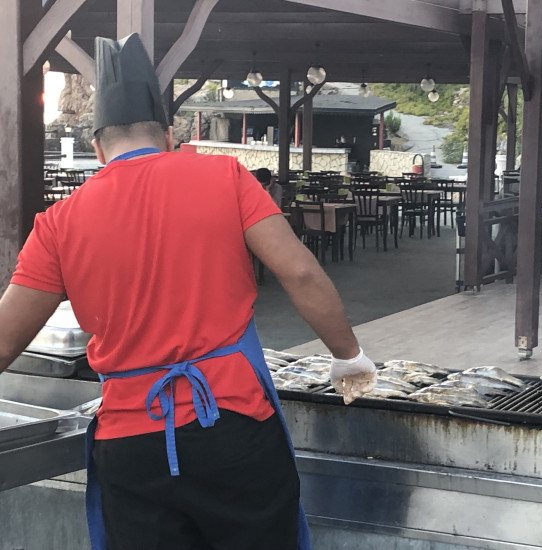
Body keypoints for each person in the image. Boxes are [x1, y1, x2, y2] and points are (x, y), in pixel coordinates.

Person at [0, 33, 376, 550]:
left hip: (130, 443)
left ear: (97, 148)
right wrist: (348, 356)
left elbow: (5, 340)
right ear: (169, 135)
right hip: (234, 428)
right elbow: (301, 274)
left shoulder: (57, 223)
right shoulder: (226, 176)